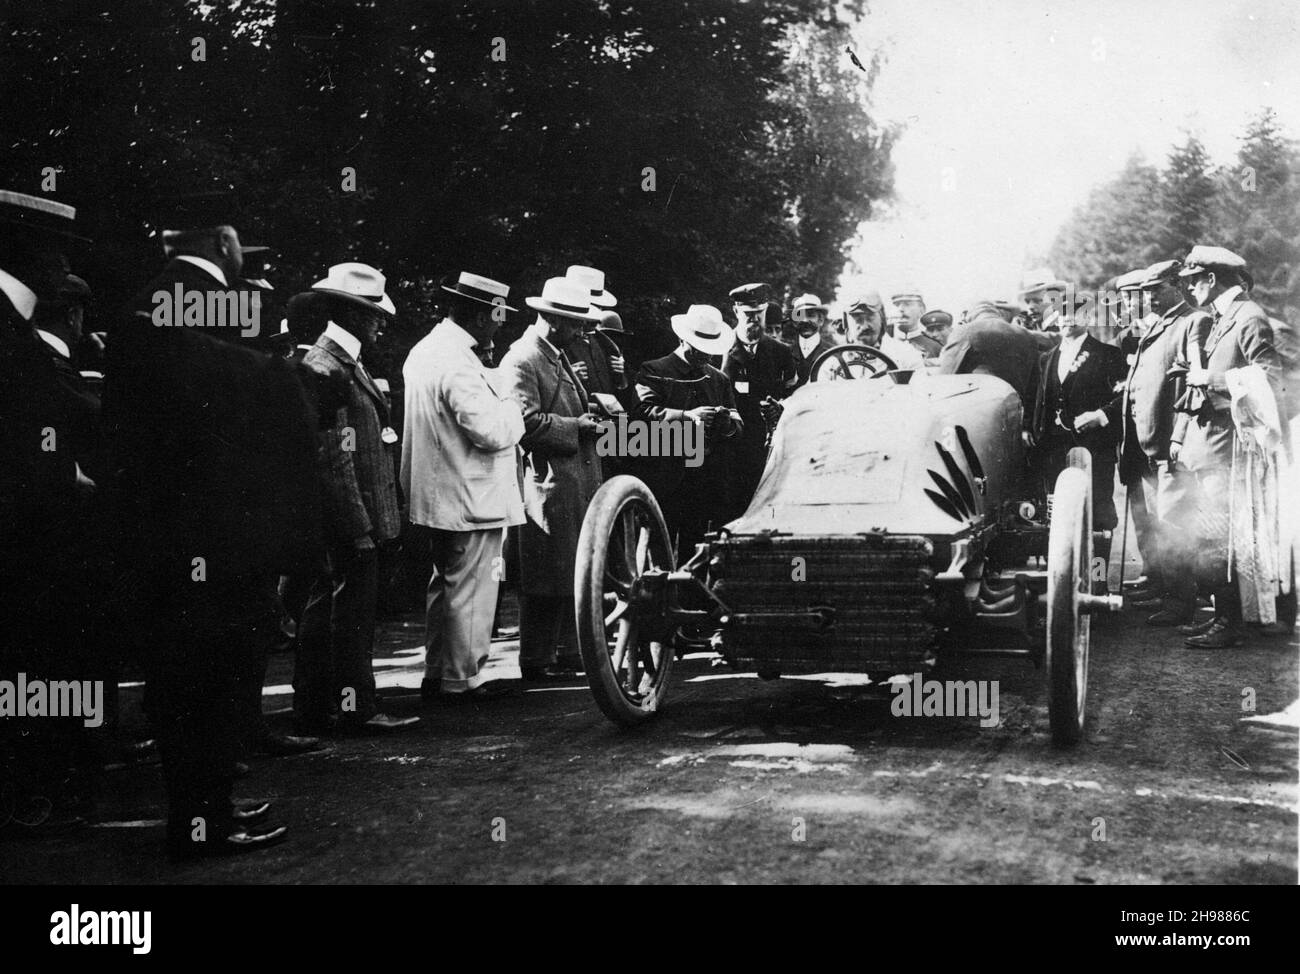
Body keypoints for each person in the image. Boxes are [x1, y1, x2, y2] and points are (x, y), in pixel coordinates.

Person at [107, 191, 323, 857]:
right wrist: (285, 377)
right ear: (225, 245)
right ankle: (201, 822)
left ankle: (210, 808)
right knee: (202, 681)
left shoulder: (160, 302)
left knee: (202, 681)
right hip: (207, 536)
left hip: (179, 533)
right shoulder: (179, 303)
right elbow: (234, 391)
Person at [293, 263, 419, 734]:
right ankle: (352, 708)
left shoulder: (344, 362)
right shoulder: (328, 367)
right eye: (370, 313)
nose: (379, 321)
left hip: (358, 513)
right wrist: (358, 525)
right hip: (351, 518)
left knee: (334, 612)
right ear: (347, 313)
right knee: (345, 618)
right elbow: (335, 458)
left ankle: (321, 709)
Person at [403, 272, 524, 700]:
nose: (500, 324)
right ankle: (462, 679)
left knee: (446, 586)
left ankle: (438, 673)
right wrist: (511, 403)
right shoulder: (456, 360)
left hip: (442, 492)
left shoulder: (428, 351)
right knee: (471, 591)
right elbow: (490, 431)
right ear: (477, 314)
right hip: (470, 494)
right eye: (496, 314)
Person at [1172, 246, 1283, 648]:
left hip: (1230, 449)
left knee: (1223, 537)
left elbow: (1273, 378)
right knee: (1211, 536)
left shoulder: (1249, 318)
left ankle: (1230, 624)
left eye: (1192, 281)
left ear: (1211, 279)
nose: (1188, 288)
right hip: (1213, 448)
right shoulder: (1225, 318)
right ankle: (1222, 616)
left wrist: (1211, 379)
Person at [499, 277, 605, 681]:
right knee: (545, 576)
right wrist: (577, 426)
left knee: (567, 572)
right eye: (575, 322)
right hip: (548, 484)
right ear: (553, 319)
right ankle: (537, 660)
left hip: (571, 482)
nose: (581, 330)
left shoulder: (554, 355)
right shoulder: (522, 359)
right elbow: (522, 423)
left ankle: (566, 654)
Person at [1110, 260, 1209, 626]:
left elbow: (1192, 389)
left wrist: (1179, 437)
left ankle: (1181, 601)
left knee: (1174, 525)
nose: (1149, 297)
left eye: (1157, 290)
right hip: (1144, 442)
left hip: (1169, 444)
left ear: (1177, 287)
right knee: (1154, 521)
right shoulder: (1160, 325)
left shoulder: (1191, 322)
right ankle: (1164, 587)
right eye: (1146, 291)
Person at [632, 304, 743, 560]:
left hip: (705, 482)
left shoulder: (719, 379)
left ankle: (694, 599)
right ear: (683, 339)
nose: (707, 356)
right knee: (659, 548)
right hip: (666, 477)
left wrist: (724, 423)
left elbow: (738, 429)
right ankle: (659, 598)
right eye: (700, 349)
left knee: (697, 551)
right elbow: (641, 413)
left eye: (711, 350)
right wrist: (687, 417)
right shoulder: (654, 371)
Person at [1031, 292, 1127, 579]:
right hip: (1054, 451)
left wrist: (1100, 416)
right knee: (1056, 515)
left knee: (1097, 517)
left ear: (1088, 317)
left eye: (1075, 312)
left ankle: (1095, 582)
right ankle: (1059, 580)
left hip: (1094, 450)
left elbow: (1125, 399)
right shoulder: (1047, 358)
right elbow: (1036, 400)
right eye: (1062, 313)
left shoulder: (1108, 354)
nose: (1067, 318)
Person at [722, 282, 797, 512]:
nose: (754, 320)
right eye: (748, 314)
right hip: (730, 447)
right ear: (736, 312)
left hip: (768, 448)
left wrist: (781, 406)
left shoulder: (781, 352)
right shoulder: (719, 349)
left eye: (759, 314)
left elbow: (793, 393)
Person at [937, 301, 1045, 408]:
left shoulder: (965, 331)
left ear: (970, 316)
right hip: (1017, 409)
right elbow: (1034, 384)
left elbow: (945, 379)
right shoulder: (1026, 335)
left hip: (980, 409)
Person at [789, 293, 837, 386]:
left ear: (821, 320)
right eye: (800, 315)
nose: (805, 320)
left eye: (810, 315)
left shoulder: (833, 353)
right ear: (795, 322)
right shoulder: (785, 353)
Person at [889, 289, 942, 358]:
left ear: (921, 310)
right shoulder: (884, 343)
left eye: (907, 304)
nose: (900, 309)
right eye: (897, 305)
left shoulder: (935, 348)